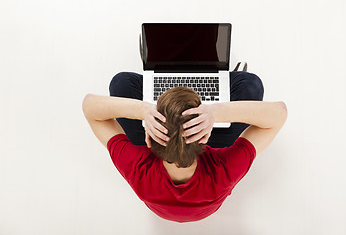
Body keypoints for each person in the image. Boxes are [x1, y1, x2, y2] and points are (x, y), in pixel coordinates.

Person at [82, 70, 287, 223]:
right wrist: (215, 113)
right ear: (206, 137)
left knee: (122, 82)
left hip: (161, 169)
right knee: (249, 83)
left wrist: (143, 111)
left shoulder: (139, 168)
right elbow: (279, 113)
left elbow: (89, 106)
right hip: (203, 177)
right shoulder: (222, 171)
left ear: (149, 140)